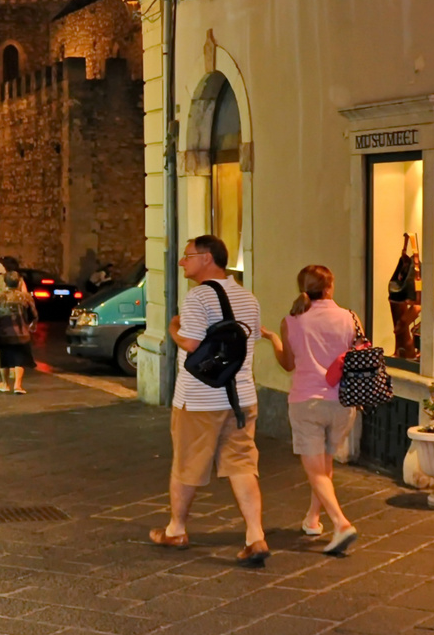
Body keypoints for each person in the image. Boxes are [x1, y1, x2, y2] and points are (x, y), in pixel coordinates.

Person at [149, 235, 268, 566]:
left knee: (187, 464)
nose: (182, 262)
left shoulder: (197, 297)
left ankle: (176, 529)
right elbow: (252, 341)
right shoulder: (248, 297)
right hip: (242, 397)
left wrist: (172, 327)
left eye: (187, 256)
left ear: (206, 258)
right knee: (242, 465)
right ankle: (255, 536)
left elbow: (190, 345)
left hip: (200, 399)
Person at [258, 264, 360, 556]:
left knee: (315, 471)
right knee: (325, 467)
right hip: (342, 401)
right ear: (329, 287)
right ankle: (313, 520)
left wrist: (274, 340)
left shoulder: (292, 321)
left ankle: (341, 523)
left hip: (306, 402)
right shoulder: (349, 318)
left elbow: (288, 364)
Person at [0, 269, 37, 394]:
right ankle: (18, 385)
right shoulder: (25, 297)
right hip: (21, 333)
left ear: (5, 283)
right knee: (19, 359)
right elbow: (34, 314)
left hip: (3, 332)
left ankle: (5, 384)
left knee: (4, 359)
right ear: (19, 282)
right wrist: (31, 324)